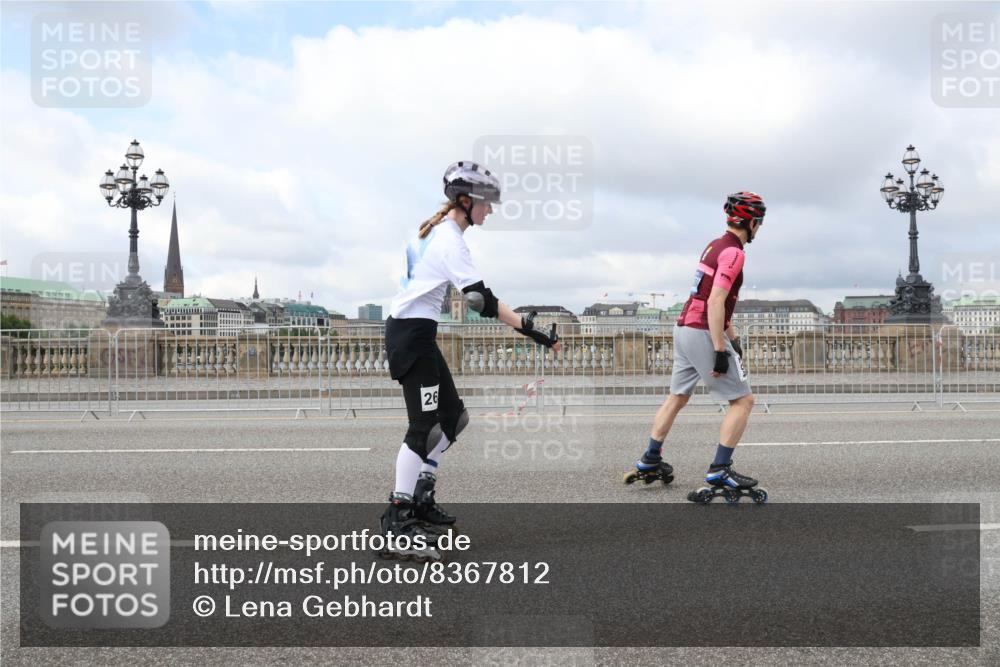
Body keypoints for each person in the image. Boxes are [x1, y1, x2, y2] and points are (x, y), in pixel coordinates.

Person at [380, 161, 561, 558]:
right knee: (423, 428)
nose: (491, 210)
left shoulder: (435, 233)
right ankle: (398, 518)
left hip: (416, 333)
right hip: (411, 335)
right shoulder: (449, 240)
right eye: (487, 203)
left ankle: (421, 498)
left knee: (453, 420)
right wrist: (531, 329)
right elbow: (480, 300)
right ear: (466, 201)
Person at [628, 191, 766, 499]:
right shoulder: (735, 253)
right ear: (752, 222)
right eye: (759, 223)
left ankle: (650, 458)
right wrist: (719, 348)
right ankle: (720, 468)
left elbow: (707, 297)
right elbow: (716, 301)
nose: (760, 229)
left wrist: (734, 340)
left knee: (677, 396)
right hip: (704, 330)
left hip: (684, 328)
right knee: (743, 402)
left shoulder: (714, 246)